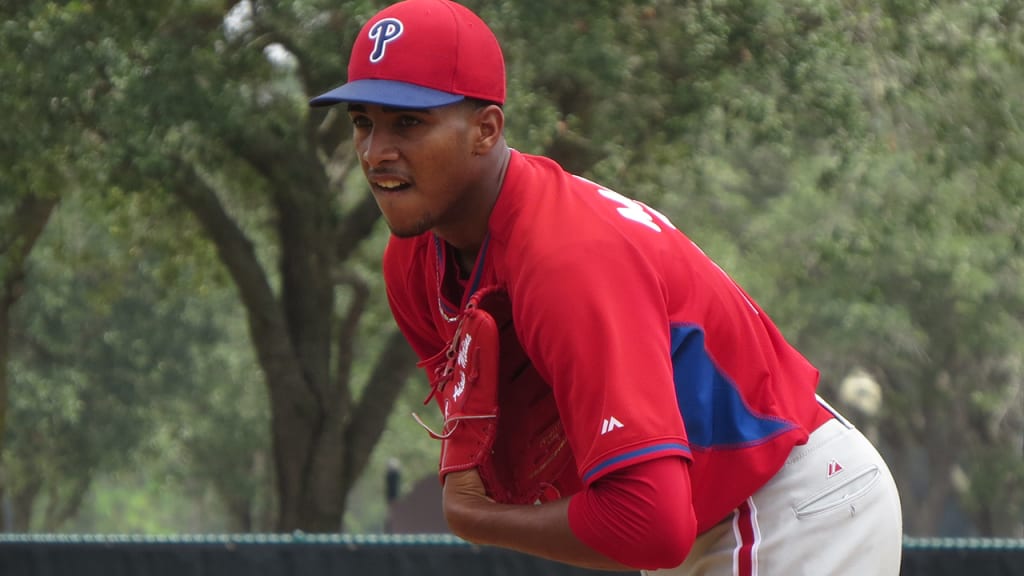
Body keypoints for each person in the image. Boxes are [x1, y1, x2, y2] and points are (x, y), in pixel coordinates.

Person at [309, 0, 904, 574]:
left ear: (486, 130)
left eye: (409, 122)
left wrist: (479, 521)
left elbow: (649, 523)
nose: (376, 151)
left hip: (788, 501)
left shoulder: (564, 259)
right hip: (711, 507)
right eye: (364, 122)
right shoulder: (414, 262)